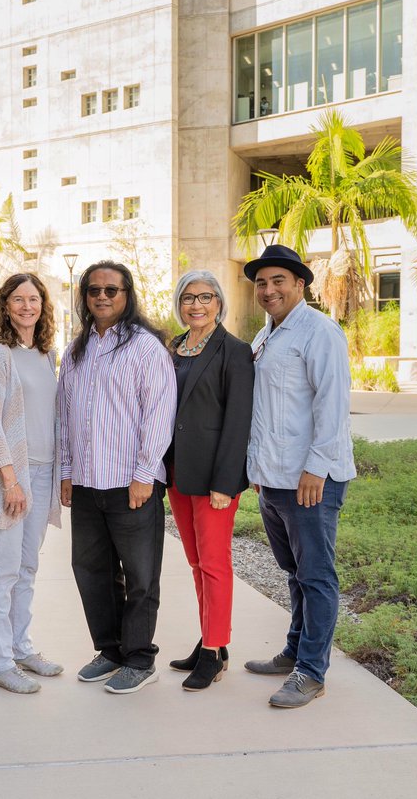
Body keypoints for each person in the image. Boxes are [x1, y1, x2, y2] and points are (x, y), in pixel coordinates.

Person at [241, 244, 356, 709]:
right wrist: (257, 468)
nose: (268, 290)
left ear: (300, 285)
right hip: (273, 477)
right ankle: (294, 650)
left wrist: (316, 468)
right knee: (293, 572)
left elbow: (332, 404)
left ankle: (311, 672)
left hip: (311, 479)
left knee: (316, 575)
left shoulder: (320, 332)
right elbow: (265, 411)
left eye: (278, 282)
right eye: (262, 284)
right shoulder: (265, 336)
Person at [58, 260, 176, 695]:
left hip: (132, 484)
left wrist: (146, 473)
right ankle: (109, 651)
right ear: (85, 298)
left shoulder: (146, 348)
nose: (102, 296)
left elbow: (159, 415)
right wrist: (67, 472)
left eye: (112, 289)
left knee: (141, 574)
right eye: (94, 290)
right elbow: (65, 418)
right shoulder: (76, 352)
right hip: (88, 484)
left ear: (127, 295)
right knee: (91, 569)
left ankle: (140, 658)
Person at [163, 270, 254, 691]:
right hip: (179, 473)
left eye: (205, 297)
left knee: (215, 564)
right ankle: (211, 638)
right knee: (196, 563)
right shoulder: (174, 348)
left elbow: (237, 422)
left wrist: (225, 482)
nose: (195, 305)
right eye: (188, 298)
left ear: (219, 302)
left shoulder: (234, 351)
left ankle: (214, 652)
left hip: (214, 478)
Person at [0, 273, 64, 694]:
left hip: (44, 473)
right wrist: (10, 480)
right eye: (18, 299)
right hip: (14, 475)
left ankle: (21, 647)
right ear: (5, 306)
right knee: (4, 569)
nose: (27, 306)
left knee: (28, 567)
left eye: (34, 299)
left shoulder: (46, 355)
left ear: (43, 305)